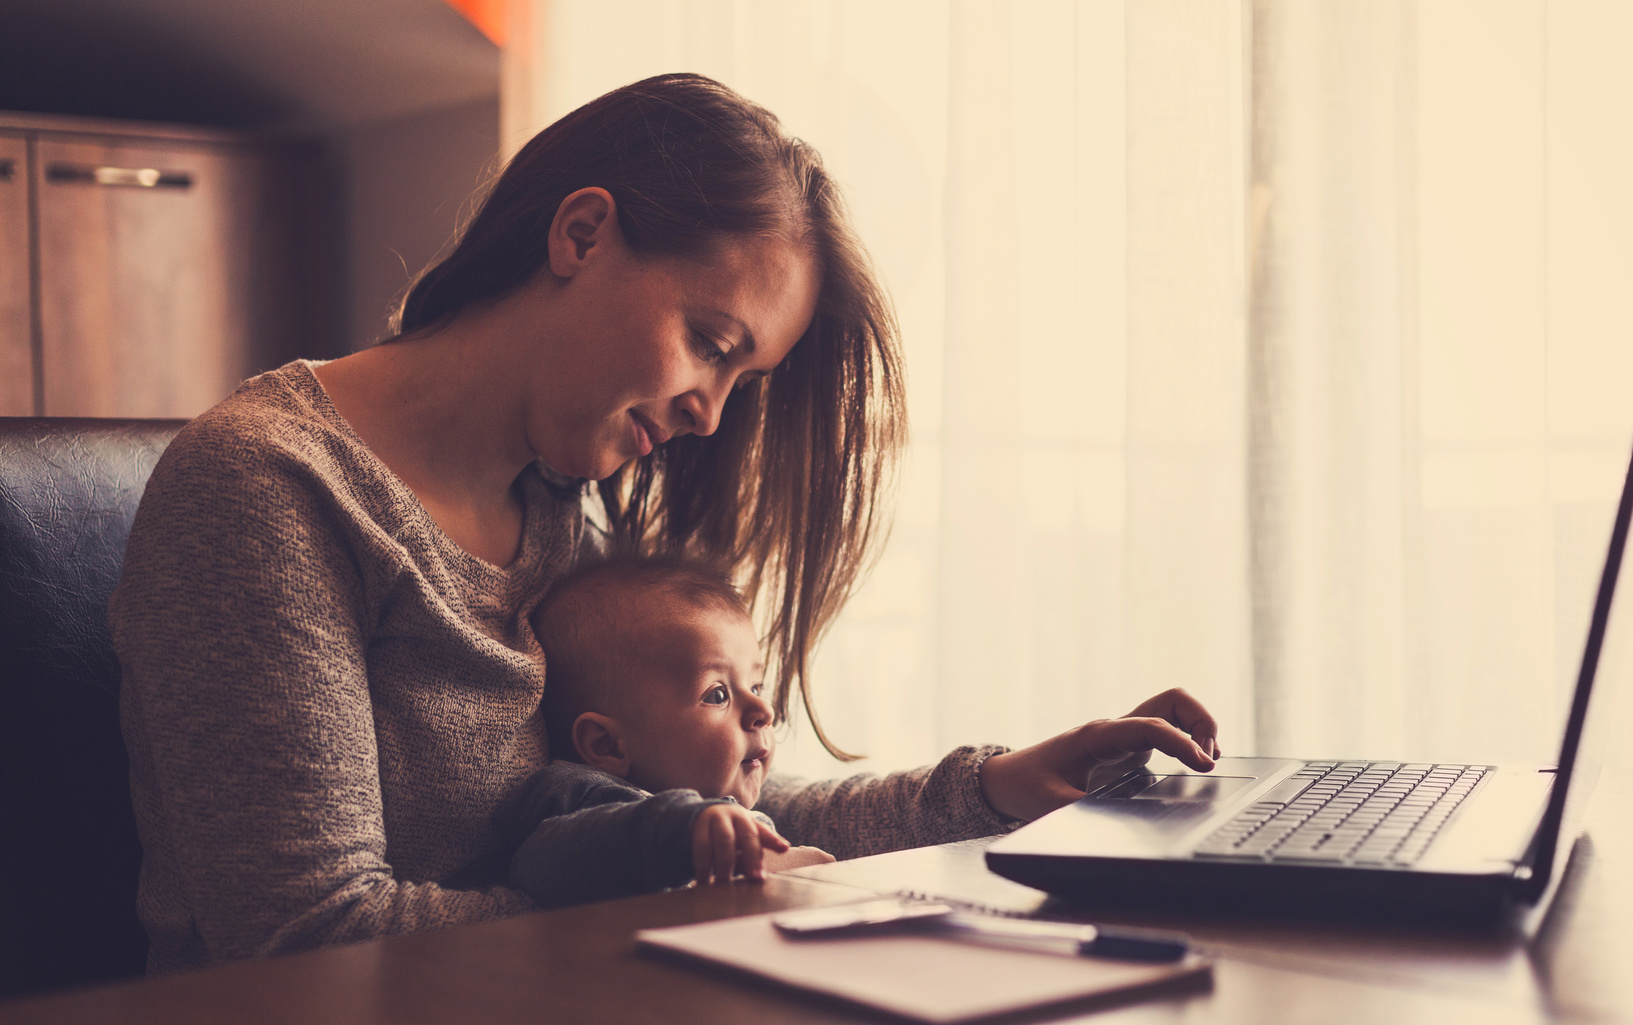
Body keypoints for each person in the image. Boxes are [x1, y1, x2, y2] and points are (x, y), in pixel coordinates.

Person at [109, 73, 1220, 975]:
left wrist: (993, 791)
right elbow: (307, 946)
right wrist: (694, 895)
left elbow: (689, 813)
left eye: (742, 381)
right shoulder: (268, 493)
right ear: (581, 235)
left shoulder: (560, 512)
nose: (707, 414)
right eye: (710, 343)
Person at [505, 554, 837, 909]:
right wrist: (683, 832)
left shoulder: (719, 806)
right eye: (717, 695)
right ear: (608, 746)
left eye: (756, 687)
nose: (764, 711)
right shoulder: (582, 799)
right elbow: (544, 865)